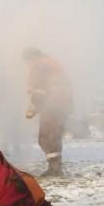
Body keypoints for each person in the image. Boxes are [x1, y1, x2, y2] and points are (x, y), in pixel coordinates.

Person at [23, 48, 73, 177]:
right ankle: (56, 168)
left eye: (27, 61)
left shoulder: (40, 65)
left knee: (46, 137)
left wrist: (33, 108)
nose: (27, 65)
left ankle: (55, 169)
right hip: (63, 104)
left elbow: (39, 91)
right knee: (54, 136)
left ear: (31, 58)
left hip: (53, 104)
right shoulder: (50, 63)